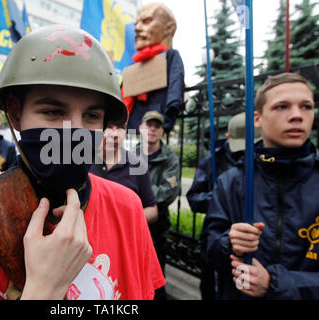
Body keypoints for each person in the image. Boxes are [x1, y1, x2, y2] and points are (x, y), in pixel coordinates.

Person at [0, 25, 165, 300]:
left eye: (91, 116)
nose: (74, 131)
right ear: (16, 115)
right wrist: (43, 290)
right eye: (53, 112)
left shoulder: (127, 208)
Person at [203, 72, 319, 299]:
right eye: (281, 107)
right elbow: (210, 252)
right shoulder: (232, 181)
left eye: (306, 106)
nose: (297, 115)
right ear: (257, 119)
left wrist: (275, 284)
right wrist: (230, 245)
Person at [186, 112, 262, 300]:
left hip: (250, 244)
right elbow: (194, 198)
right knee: (210, 288)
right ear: (228, 138)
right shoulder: (213, 159)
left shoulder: (262, 160)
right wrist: (223, 196)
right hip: (217, 236)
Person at [136, 110, 180, 300]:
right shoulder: (130, 153)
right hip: (133, 221)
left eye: (157, 126)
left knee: (156, 274)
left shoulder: (170, 158)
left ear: (162, 131)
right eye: (148, 125)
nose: (152, 129)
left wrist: (140, 193)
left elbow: (170, 191)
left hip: (157, 223)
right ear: (140, 128)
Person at [123, 2, 185, 133]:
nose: (137, 28)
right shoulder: (133, 66)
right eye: (136, 24)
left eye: (146, 21)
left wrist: (168, 118)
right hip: (131, 127)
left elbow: (176, 83)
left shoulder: (170, 56)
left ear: (169, 28)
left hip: (153, 125)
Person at [90, 119, 158, 224]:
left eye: (121, 128)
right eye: (108, 127)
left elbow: (152, 210)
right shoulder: (82, 162)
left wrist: (126, 222)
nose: (115, 134)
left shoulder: (137, 165)